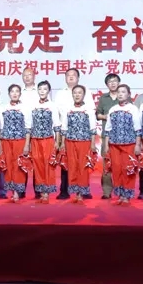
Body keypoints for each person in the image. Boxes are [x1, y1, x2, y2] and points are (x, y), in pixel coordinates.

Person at [101, 84, 143, 206]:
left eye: (123, 92)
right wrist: (106, 145)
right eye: (119, 92)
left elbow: (138, 129)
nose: (120, 94)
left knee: (128, 169)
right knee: (117, 169)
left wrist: (138, 145)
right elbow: (108, 129)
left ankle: (127, 195)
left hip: (129, 144)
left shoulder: (133, 109)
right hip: (114, 145)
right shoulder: (113, 109)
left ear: (129, 94)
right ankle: (120, 194)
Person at [60, 84, 96, 203]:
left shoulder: (89, 109)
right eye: (75, 93)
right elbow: (64, 127)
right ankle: (76, 192)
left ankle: (82, 191)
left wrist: (92, 144)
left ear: (84, 95)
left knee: (83, 166)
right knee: (72, 166)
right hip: (70, 141)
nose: (77, 95)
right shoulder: (68, 108)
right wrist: (63, 143)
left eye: (80, 93)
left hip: (84, 142)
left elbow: (93, 128)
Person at [0, 83, 32, 202]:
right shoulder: (3, 108)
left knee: (18, 166)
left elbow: (28, 127)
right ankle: (12, 191)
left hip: (20, 140)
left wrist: (27, 144)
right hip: (6, 140)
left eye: (17, 91)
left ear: (20, 94)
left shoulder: (25, 108)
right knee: (8, 166)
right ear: (9, 94)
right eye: (12, 91)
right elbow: (1, 127)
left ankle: (18, 192)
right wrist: (0, 142)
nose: (15, 93)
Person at [28, 80, 61, 203]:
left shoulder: (52, 106)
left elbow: (57, 125)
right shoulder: (33, 105)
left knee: (48, 165)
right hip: (35, 139)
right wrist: (28, 142)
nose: (42, 91)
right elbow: (29, 125)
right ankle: (41, 192)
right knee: (38, 166)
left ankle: (47, 192)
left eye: (45, 89)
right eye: (40, 89)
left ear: (49, 91)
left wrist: (57, 141)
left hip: (48, 139)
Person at [54, 68, 81, 199]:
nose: (71, 77)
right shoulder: (60, 94)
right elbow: (56, 113)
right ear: (65, 78)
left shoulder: (84, 92)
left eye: (73, 75)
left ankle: (82, 189)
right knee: (64, 161)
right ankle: (64, 190)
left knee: (81, 161)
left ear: (78, 78)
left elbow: (90, 111)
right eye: (68, 75)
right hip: (64, 132)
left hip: (80, 133)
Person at [95, 73, 121, 199]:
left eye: (115, 81)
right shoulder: (103, 98)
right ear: (107, 85)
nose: (113, 83)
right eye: (110, 81)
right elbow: (98, 114)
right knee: (107, 164)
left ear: (119, 83)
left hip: (122, 136)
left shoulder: (124, 96)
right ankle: (106, 191)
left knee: (120, 164)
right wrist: (108, 117)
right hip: (107, 136)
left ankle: (122, 190)